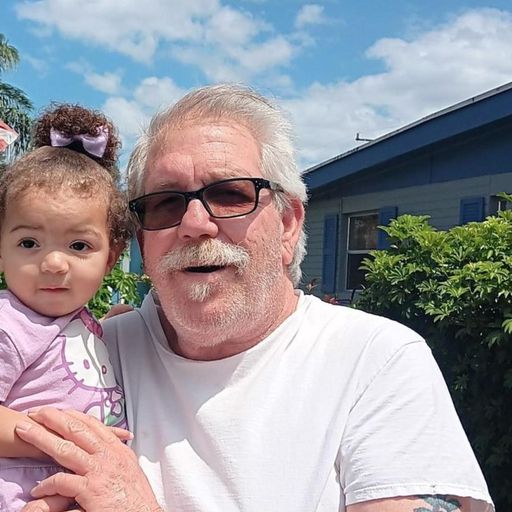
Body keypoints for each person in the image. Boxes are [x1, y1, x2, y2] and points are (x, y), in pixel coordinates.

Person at [15, 84, 494, 512]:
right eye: (165, 203)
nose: (195, 224)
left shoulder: (374, 359)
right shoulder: (94, 353)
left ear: (288, 225)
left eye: (230, 194)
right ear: (141, 241)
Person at [0, 104, 132, 511]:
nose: (54, 263)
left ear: (110, 259)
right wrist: (67, 443)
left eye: (78, 245)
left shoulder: (80, 321)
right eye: (29, 243)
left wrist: (108, 326)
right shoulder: (9, 324)